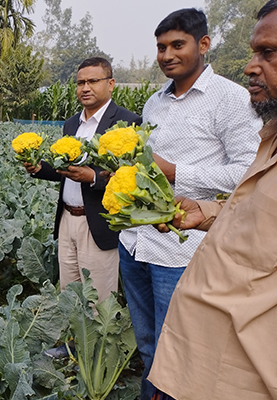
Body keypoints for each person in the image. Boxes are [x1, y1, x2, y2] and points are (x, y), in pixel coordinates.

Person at [116, 9, 263, 400]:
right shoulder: (153, 103)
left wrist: (175, 172)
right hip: (136, 241)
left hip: (184, 250)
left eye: (177, 45)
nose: (166, 55)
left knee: (181, 352)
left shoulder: (231, 99)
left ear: (203, 44)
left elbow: (249, 173)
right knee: (147, 343)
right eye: (161, 47)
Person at [24, 57, 141, 302]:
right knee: (70, 295)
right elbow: (63, 172)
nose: (85, 88)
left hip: (97, 222)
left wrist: (93, 177)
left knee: (98, 298)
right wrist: (38, 169)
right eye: (80, 83)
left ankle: (98, 341)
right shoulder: (71, 124)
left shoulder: (128, 122)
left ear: (111, 84)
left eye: (92, 81)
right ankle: (74, 341)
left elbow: (133, 180)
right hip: (67, 219)